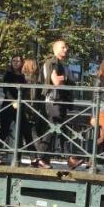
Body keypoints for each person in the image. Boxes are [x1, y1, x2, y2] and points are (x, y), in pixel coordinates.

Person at [40, 39, 81, 169]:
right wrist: (66, 78)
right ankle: (41, 157)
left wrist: (65, 79)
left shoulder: (62, 64)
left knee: (58, 130)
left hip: (61, 100)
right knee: (54, 130)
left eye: (66, 47)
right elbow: (56, 81)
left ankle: (45, 159)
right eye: (63, 47)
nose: (66, 49)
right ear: (56, 49)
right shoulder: (51, 62)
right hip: (54, 100)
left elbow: (72, 81)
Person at [1, 55, 26, 152]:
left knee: (24, 130)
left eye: (18, 61)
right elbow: (6, 90)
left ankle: (33, 158)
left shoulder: (23, 76)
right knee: (4, 131)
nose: (15, 63)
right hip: (8, 105)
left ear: (22, 63)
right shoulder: (8, 74)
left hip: (20, 105)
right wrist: (13, 101)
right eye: (13, 61)